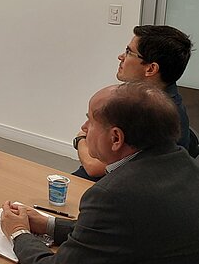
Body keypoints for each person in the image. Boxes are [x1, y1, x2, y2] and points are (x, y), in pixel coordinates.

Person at [0, 82, 199, 264]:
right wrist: (49, 225)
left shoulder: (114, 194)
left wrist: (18, 232)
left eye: (91, 121)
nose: (84, 127)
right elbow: (119, 230)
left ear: (116, 138)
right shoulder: (185, 164)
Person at [74, 25, 193, 181]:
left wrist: (80, 140)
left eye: (129, 52)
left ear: (151, 69)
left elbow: (93, 167)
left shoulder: (155, 116)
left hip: (111, 189)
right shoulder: (142, 101)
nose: (121, 57)